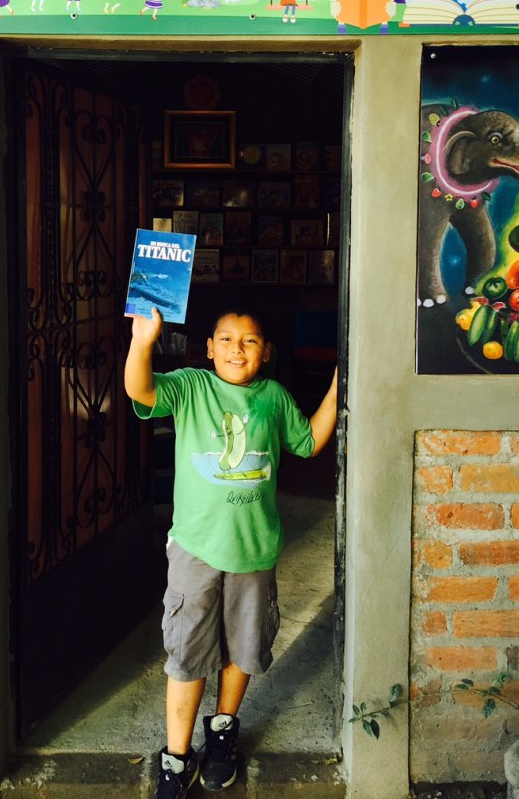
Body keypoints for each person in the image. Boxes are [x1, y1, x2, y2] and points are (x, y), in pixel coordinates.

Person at [125, 306, 337, 798]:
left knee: (243, 645)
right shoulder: (191, 387)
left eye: (249, 341)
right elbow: (140, 390)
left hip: (255, 551)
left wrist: (337, 386)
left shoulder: (274, 397)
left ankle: (222, 732)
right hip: (195, 549)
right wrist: (143, 340)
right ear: (209, 348)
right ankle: (176, 758)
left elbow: (307, 443)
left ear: (265, 353)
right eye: (225, 339)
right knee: (187, 651)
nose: (236, 349)